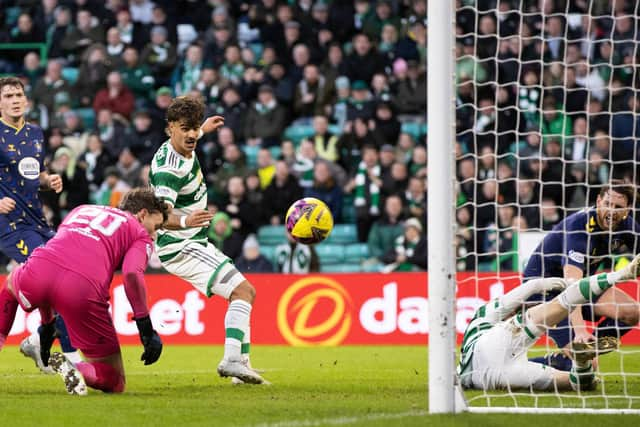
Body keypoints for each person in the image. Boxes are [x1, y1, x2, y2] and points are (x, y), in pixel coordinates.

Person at [0, 188, 167, 395]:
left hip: (41, 268)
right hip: (83, 290)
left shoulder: (82, 209)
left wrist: (47, 324)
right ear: (142, 214)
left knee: (9, 286)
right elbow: (132, 274)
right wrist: (145, 327)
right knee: (114, 380)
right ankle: (75, 367)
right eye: (156, 226)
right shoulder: (139, 232)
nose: (154, 234)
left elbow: (61, 258)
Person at [149, 95, 266, 384]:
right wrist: (187, 220)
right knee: (244, 292)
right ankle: (231, 361)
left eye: (195, 128)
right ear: (170, 128)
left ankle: (242, 366)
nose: (192, 134)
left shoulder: (185, 139)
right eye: (185, 128)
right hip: (181, 246)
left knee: (242, 293)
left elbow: (191, 133)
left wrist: (205, 129)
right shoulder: (169, 171)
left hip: (194, 242)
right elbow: (158, 216)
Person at [458, 255, 640, 391]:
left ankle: (581, 362)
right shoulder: (483, 316)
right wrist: (564, 283)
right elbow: (531, 287)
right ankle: (622, 274)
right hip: (492, 348)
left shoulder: (479, 324)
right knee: (560, 304)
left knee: (579, 384)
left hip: (488, 379)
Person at [0, 76, 80, 371]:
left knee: (59, 278)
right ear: (0, 102)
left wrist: (49, 180)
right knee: (57, 282)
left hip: (38, 220)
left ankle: (37, 341)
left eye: (19, 94)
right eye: (8, 95)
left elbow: (36, 174)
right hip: (8, 224)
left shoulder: (35, 133)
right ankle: (72, 360)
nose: (15, 99)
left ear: (27, 100)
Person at [523, 181, 640, 371]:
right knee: (586, 364)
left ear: (627, 209)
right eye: (607, 204)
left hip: (582, 287)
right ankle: (529, 365)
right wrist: (580, 331)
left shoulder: (626, 225)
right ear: (598, 200)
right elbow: (572, 283)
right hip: (544, 291)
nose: (612, 211)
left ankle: (586, 350)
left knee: (631, 312)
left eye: (618, 207)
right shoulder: (580, 227)